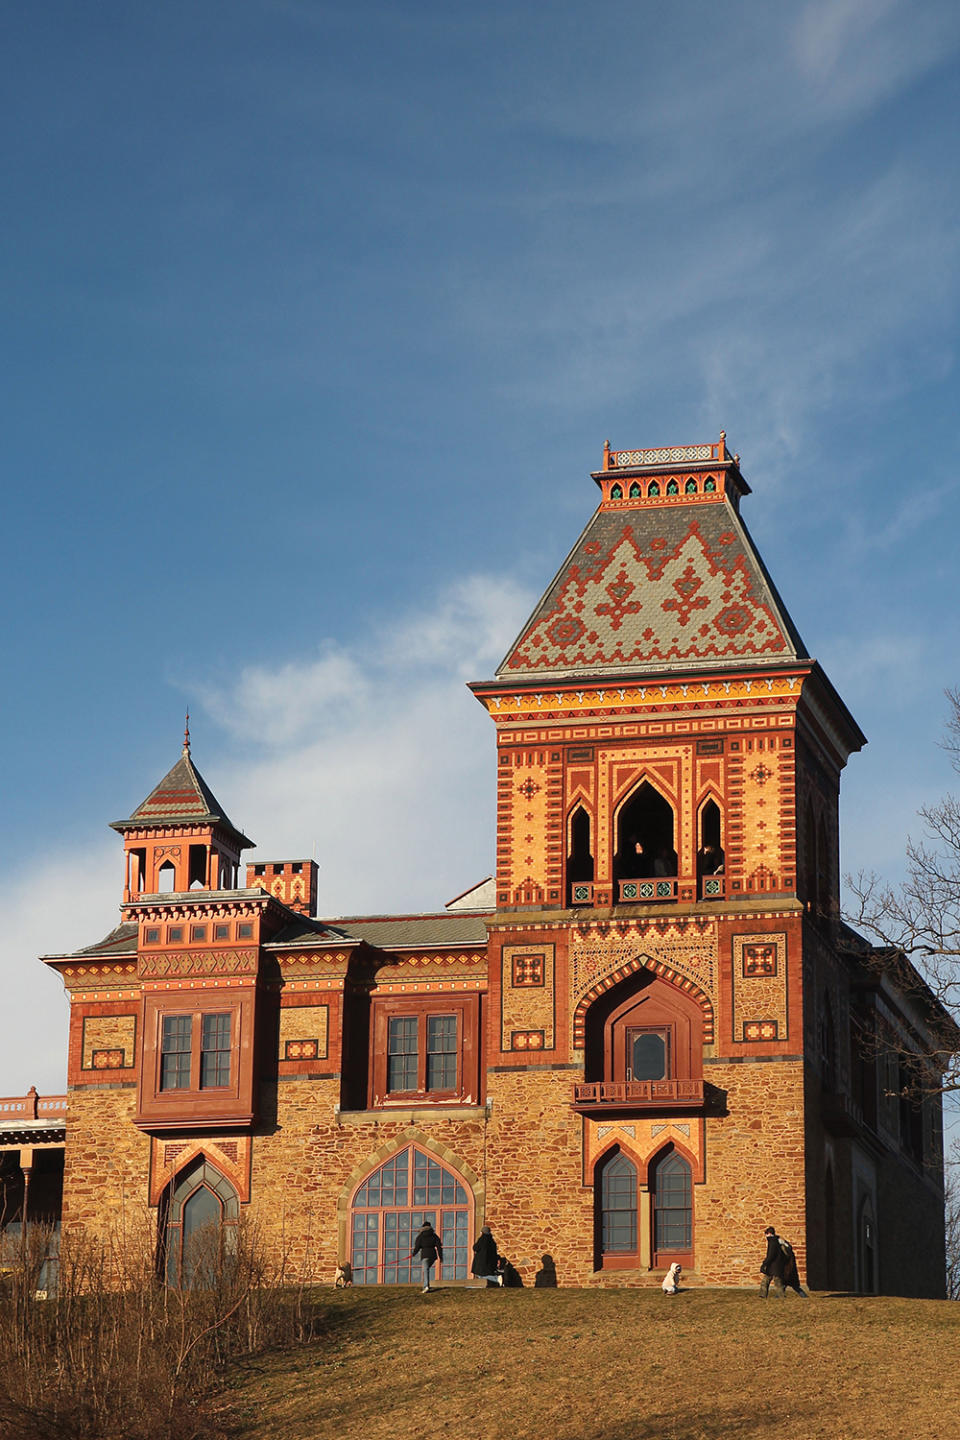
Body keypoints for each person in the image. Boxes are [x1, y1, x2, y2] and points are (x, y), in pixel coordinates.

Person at [411, 1219, 443, 1293]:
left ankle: (426, 1286)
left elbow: (417, 1246)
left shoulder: (420, 1236)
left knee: (425, 1270)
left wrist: (414, 1254)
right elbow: (439, 1247)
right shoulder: (434, 1235)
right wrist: (440, 1257)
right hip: (433, 1255)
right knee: (427, 1269)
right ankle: (426, 1285)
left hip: (425, 1254)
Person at [759, 1225, 786, 1298]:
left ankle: (782, 1297)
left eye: (766, 1234)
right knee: (765, 1281)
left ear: (770, 1233)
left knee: (777, 1283)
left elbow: (771, 1255)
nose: (766, 1236)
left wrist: (764, 1264)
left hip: (774, 1266)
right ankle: (762, 1295)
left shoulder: (773, 1242)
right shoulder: (776, 1241)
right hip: (773, 1266)